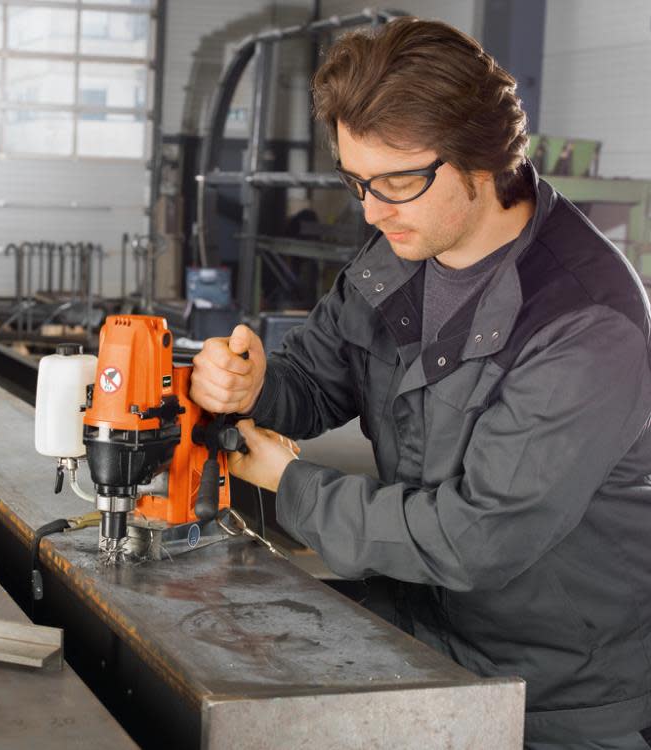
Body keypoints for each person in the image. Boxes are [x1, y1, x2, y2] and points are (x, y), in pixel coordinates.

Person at [190, 17, 651, 750]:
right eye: (357, 181)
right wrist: (251, 385)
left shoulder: (585, 323)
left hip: (552, 698)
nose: (371, 211)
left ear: (483, 159)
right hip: (418, 635)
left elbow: (477, 538)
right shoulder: (397, 256)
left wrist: (292, 484)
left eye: (398, 182)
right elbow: (315, 379)